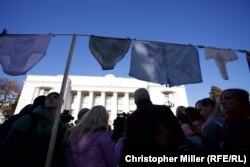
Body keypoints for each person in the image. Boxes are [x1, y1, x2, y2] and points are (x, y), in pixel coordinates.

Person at [0, 92, 67, 167]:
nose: (51, 98)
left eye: (55, 97)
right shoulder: (27, 119)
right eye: (48, 97)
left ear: (61, 103)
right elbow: (8, 146)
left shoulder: (61, 125)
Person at [122, 88, 185, 155]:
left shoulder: (130, 119)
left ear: (135, 102)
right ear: (149, 97)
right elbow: (180, 136)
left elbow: (129, 145)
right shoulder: (165, 110)